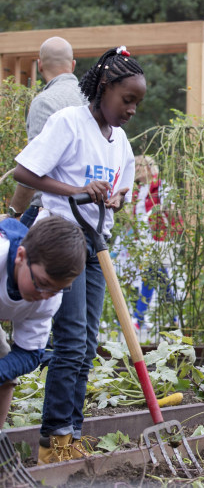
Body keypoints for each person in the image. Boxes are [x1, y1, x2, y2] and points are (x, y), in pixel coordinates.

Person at [13, 46, 145, 464]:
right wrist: (76, 191)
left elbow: (118, 189)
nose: (132, 110)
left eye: (138, 103)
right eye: (127, 100)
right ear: (103, 88)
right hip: (58, 238)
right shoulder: (69, 122)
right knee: (70, 340)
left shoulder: (119, 140)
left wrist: (117, 198)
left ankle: (72, 429)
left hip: (95, 245)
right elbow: (24, 172)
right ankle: (54, 439)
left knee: (87, 343)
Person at [0, 217, 86, 427]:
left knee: (5, 375)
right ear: (21, 256)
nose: (46, 295)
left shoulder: (48, 299)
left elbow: (30, 353)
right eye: (42, 284)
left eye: (55, 289)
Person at [7, 37, 86, 225]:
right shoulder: (91, 99)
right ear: (73, 65)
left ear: (40, 65)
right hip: (88, 209)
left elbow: (34, 167)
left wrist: (14, 214)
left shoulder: (45, 102)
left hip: (49, 210)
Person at [130, 154, 181, 331]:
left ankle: (139, 318)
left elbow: (171, 210)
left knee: (151, 276)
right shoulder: (139, 190)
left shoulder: (160, 187)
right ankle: (173, 317)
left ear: (147, 168)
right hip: (144, 242)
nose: (135, 170)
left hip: (158, 241)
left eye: (138, 167)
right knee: (159, 278)